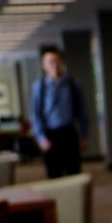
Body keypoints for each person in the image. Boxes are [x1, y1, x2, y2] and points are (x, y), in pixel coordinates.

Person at [30, 47, 89, 178]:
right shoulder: (39, 86)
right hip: (50, 135)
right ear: (44, 65)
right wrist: (41, 139)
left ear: (62, 62)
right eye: (50, 61)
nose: (55, 64)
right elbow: (35, 115)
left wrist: (84, 135)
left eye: (57, 60)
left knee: (74, 174)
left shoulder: (73, 84)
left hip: (69, 133)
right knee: (54, 176)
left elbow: (83, 112)